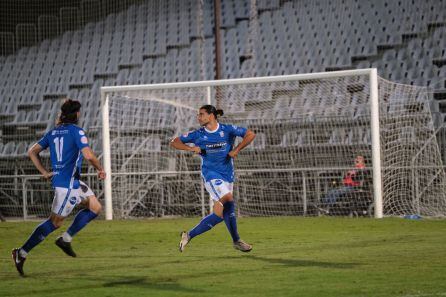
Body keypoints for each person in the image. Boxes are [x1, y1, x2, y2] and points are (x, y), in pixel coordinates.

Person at [12, 99, 106, 276]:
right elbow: (88, 155)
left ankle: (66, 239)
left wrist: (44, 172)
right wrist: (100, 169)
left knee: (95, 207)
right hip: (67, 186)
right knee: (54, 222)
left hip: (72, 182)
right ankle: (21, 253)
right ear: (76, 114)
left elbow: (32, 151)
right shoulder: (77, 131)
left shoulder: (53, 132)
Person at [170, 104, 256, 253]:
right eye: (198, 115)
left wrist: (236, 149)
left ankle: (189, 235)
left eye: (201, 114)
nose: (199, 117)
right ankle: (236, 240)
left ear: (211, 115)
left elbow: (250, 134)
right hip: (211, 175)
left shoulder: (227, 130)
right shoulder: (198, 134)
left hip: (227, 175)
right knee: (228, 199)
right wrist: (191, 148)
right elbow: (174, 142)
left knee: (220, 215)